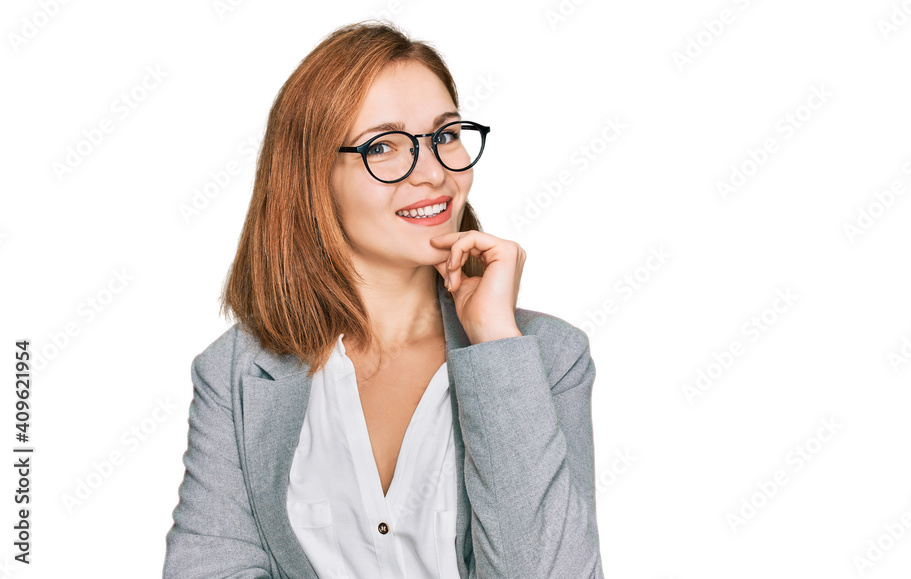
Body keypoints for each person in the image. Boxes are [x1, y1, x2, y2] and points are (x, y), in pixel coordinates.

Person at [163, 20, 605, 579]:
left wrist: (493, 341)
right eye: (384, 146)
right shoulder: (235, 372)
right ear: (313, 176)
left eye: (445, 136)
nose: (434, 173)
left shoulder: (546, 357)